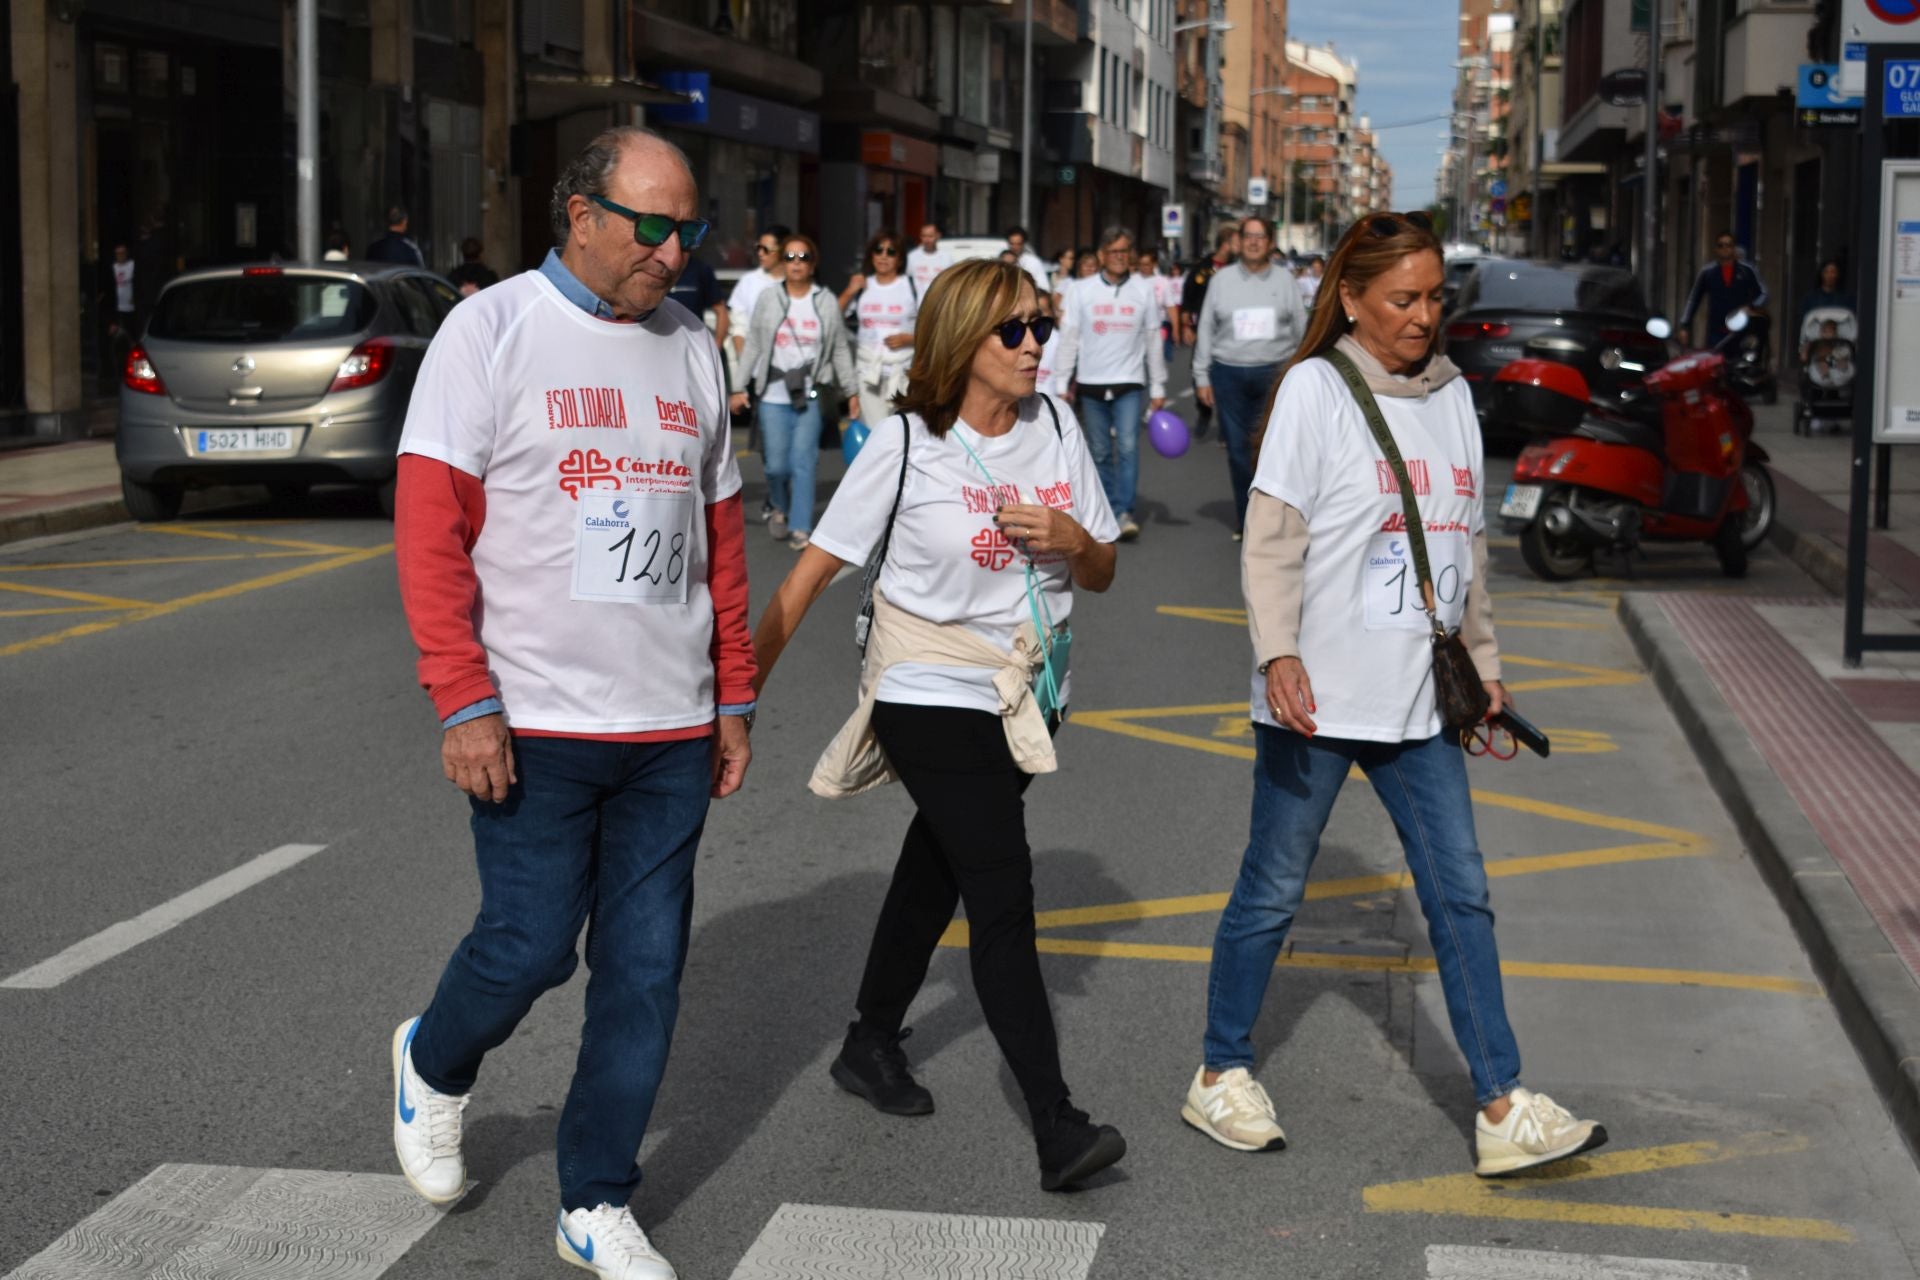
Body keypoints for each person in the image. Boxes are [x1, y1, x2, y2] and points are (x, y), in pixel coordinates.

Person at [389, 124, 756, 1280]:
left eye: (688, 228)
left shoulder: (694, 343)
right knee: (531, 943)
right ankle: (435, 1059)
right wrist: (462, 698)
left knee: (644, 972)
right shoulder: (488, 331)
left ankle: (595, 1196)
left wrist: (732, 690)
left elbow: (722, 537)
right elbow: (429, 535)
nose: (673, 251)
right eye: (651, 226)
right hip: (534, 717)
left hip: (667, 724)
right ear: (579, 214)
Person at [1182, 209, 1606, 1179]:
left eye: (1433, 297)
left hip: (1422, 704)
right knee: (1272, 890)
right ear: (1353, 298)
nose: (1423, 315)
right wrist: (1278, 652)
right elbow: (1271, 539)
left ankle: (1501, 1100)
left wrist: (1485, 665)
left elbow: (1465, 551)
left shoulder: (1454, 394)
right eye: (1403, 298)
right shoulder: (1316, 394)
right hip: (1319, 700)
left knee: (1462, 895)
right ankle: (1220, 1068)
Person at [750, 257, 1127, 1192]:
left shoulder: (1057, 427)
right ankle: (1056, 1121)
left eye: (1042, 324)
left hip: (1023, 690)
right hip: (924, 681)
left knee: (938, 865)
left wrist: (1074, 541)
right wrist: (733, 704)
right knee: (1001, 887)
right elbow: (807, 580)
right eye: (1015, 330)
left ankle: (870, 1041)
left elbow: (1104, 569)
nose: (1036, 342)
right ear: (965, 342)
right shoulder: (907, 444)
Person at [732, 233, 859, 549]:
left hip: (811, 394)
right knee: (776, 466)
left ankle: (800, 525)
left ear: (813, 264)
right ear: (782, 262)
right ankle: (779, 505)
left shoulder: (825, 301)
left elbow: (840, 348)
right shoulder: (769, 299)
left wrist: (851, 390)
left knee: (803, 461)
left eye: (803, 257)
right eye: (789, 257)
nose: (796, 263)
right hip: (773, 395)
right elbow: (755, 346)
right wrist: (737, 386)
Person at [1192, 216, 1308, 539]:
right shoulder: (1221, 281)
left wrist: (1305, 371)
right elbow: (1205, 330)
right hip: (1228, 373)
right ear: (1239, 242)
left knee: (1276, 450)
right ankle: (1249, 520)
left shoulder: (1286, 281)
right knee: (1238, 451)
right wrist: (1201, 376)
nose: (1254, 242)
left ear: (1270, 243)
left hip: (1276, 374)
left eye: (1261, 236)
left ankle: (1278, 516)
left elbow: (1301, 329)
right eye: (1248, 236)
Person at [1054, 226, 1167, 541]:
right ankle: (1107, 508)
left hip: (1129, 382)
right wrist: (1063, 382)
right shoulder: (1080, 289)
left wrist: (1158, 386)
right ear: (1102, 255)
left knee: (1129, 446)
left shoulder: (1144, 290)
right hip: (1091, 383)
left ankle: (1123, 511)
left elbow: (1153, 339)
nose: (1119, 257)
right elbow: (1070, 338)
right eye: (1114, 252)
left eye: (1125, 251)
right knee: (1100, 451)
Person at [837, 230, 919, 422]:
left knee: (900, 431)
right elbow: (832, 316)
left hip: (903, 372)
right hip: (868, 373)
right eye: (878, 250)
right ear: (871, 255)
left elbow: (933, 328)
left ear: (900, 259)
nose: (884, 256)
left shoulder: (911, 286)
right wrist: (849, 291)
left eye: (891, 252)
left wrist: (909, 339)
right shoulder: (862, 285)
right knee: (875, 432)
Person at [1181, 225, 1241, 441]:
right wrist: (1187, 325)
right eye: (1236, 241)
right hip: (1204, 329)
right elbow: (1189, 295)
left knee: (1227, 376)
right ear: (1226, 244)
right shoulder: (1202, 268)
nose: (1240, 246)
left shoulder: (1239, 268)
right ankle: (1204, 412)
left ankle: (1227, 425)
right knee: (1199, 371)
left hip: (1231, 331)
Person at [1679, 230, 1768, 348]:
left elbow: (1763, 293)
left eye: (1729, 245)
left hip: (1741, 329)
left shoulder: (1746, 270)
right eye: (1721, 245)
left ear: (1734, 248)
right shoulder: (1708, 273)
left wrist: (1751, 307)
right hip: (1716, 331)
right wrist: (1685, 325)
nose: (1725, 248)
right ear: (1716, 249)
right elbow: (1693, 299)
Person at [726, 224, 791, 362]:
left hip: (793, 371)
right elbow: (739, 327)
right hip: (755, 370)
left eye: (766, 249)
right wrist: (744, 364)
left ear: (783, 250)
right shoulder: (748, 282)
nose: (760, 253)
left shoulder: (797, 283)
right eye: (758, 248)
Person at [667, 250, 731, 356]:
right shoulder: (658, 268)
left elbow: (721, 312)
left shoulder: (701, 270)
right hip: (663, 343)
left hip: (695, 347)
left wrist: (716, 347)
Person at [1796, 258, 1854, 352]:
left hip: (1840, 344)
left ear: (1838, 274)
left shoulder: (1846, 298)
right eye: (1826, 272)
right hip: (1816, 344)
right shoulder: (1810, 298)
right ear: (1821, 274)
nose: (1830, 275)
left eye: (1833, 272)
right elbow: (1804, 320)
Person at [1137, 247, 1183, 364]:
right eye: (1141, 264)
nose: (1144, 267)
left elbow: (1171, 307)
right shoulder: (1133, 280)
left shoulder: (1163, 282)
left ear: (1154, 264)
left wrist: (1176, 330)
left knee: (1157, 361)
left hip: (1159, 326)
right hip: (1138, 327)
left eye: (1147, 264)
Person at [1005, 225, 1053, 300]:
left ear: (1023, 244)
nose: (1015, 247)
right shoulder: (1003, 261)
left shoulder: (1033, 262)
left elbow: (1044, 288)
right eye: (1012, 244)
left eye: (1018, 244)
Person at [907, 222, 952, 291]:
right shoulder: (911, 257)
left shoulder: (947, 258)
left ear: (938, 236)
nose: (927, 240)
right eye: (924, 236)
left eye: (930, 236)